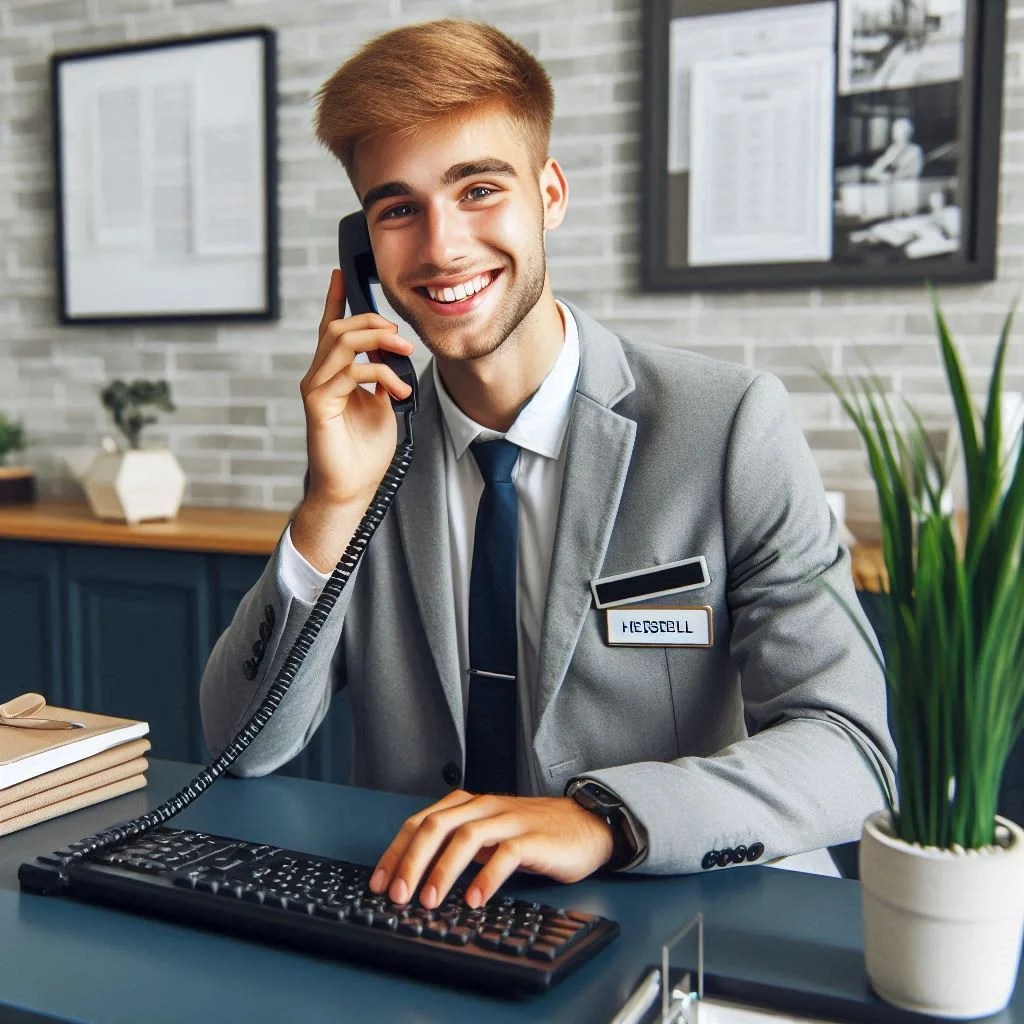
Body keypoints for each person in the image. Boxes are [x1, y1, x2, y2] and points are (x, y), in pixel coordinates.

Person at [200, 19, 895, 913]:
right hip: (430, 924)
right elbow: (238, 747)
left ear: (550, 194)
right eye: (399, 208)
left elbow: (850, 748)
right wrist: (331, 504)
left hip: (673, 917)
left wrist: (604, 818)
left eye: (479, 188)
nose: (443, 247)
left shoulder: (727, 429)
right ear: (364, 248)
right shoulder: (369, 456)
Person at [865, 117, 924, 182]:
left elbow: (912, 173)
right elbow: (879, 166)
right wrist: (876, 173)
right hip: (890, 185)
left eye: (901, 131)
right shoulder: (892, 149)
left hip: (906, 186)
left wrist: (888, 177)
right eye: (896, 130)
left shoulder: (915, 151)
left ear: (908, 133)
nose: (898, 133)